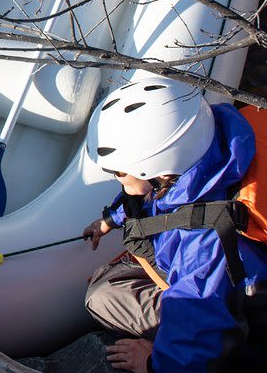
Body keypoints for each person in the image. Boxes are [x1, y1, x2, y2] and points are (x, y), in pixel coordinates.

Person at [82, 76, 267, 373]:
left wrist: (152, 363)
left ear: (159, 169)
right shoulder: (212, 144)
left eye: (118, 172)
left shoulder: (205, 245)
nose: (116, 177)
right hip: (229, 272)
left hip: (235, 309)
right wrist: (111, 219)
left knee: (101, 297)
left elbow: (195, 323)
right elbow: (152, 195)